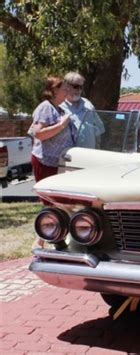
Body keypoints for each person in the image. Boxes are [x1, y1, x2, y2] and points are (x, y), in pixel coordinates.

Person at [30, 75, 75, 249]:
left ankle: (49, 238)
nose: (67, 91)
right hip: (45, 161)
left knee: (58, 202)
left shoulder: (59, 109)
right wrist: (62, 125)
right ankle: (45, 240)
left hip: (57, 162)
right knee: (51, 201)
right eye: (64, 88)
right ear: (54, 90)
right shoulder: (45, 107)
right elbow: (39, 133)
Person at [61, 72, 105, 149]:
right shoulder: (59, 106)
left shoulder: (88, 104)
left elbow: (99, 130)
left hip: (88, 154)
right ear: (66, 86)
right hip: (68, 155)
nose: (79, 90)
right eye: (76, 86)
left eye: (81, 87)